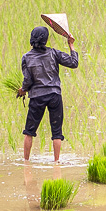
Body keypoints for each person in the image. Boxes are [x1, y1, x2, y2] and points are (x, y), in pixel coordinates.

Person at [17, 26, 78, 162]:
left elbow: (28, 80)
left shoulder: (26, 58)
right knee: (57, 132)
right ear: (46, 40)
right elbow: (74, 63)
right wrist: (71, 44)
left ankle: (26, 162)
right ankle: (56, 162)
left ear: (31, 39)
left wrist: (23, 90)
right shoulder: (53, 53)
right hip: (54, 95)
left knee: (29, 131)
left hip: (37, 97)